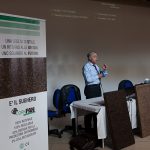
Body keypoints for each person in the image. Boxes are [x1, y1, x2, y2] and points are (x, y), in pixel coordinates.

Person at [82, 51, 108, 132]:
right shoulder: (86, 67)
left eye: (97, 56)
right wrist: (99, 75)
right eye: (95, 56)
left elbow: (104, 75)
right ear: (90, 58)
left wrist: (104, 70)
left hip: (97, 88)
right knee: (90, 110)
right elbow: (89, 80)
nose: (97, 58)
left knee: (97, 108)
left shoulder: (96, 66)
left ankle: (96, 129)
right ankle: (88, 130)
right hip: (90, 89)